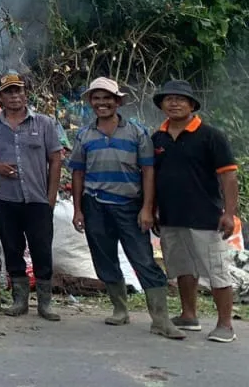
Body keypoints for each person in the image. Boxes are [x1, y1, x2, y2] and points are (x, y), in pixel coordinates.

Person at [69, 77, 184, 338]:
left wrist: (147, 208)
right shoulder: (84, 135)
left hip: (130, 206)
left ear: (118, 101)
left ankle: (160, 319)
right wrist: (78, 209)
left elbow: (148, 172)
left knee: (143, 259)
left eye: (107, 98)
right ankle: (120, 310)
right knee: (104, 258)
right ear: (90, 102)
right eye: (96, 98)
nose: (102, 103)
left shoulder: (137, 132)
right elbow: (77, 173)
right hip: (95, 205)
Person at [150, 79, 240, 343]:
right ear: (162, 105)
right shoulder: (158, 138)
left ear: (191, 104)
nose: (174, 103)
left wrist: (229, 214)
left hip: (205, 217)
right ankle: (189, 315)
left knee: (216, 270)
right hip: (170, 216)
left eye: (180, 99)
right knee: (182, 268)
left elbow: (229, 178)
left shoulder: (211, 136)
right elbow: (153, 177)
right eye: (169, 99)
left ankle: (225, 325)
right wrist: (153, 209)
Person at [0, 72, 64, 321]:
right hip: (6, 199)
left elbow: (55, 160)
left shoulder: (44, 123)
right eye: (9, 92)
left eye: (18, 91)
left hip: (38, 199)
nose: (15, 96)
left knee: (41, 249)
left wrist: (51, 197)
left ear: (25, 94)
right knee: (13, 248)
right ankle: (19, 300)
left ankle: (45, 303)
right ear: (0, 97)